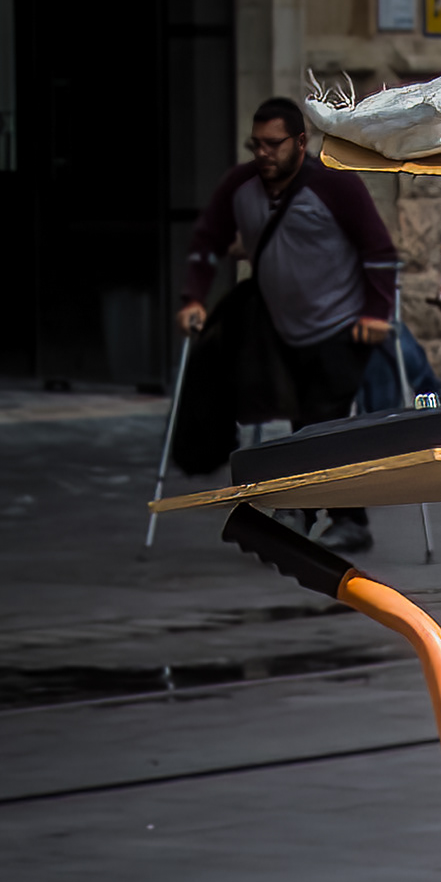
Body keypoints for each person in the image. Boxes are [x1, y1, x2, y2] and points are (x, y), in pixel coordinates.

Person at [179, 95, 400, 551]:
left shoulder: (336, 187)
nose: (263, 154)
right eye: (256, 144)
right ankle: (303, 507)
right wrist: (193, 298)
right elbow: (207, 242)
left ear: (300, 143)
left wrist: (376, 315)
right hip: (280, 325)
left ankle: (324, 515)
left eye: (274, 144)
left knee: (322, 421)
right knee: (297, 419)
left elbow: (378, 254)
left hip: (341, 325)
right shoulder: (239, 187)